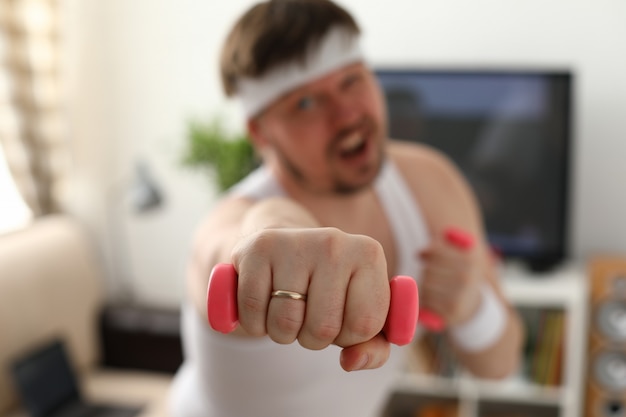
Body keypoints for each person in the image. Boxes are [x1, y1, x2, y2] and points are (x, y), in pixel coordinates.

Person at [169, 1, 524, 416]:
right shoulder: (232, 218)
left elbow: (501, 367)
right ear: (260, 132)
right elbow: (227, 245)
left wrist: (473, 306)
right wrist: (273, 233)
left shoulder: (428, 183)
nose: (346, 115)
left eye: (351, 80)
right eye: (305, 103)